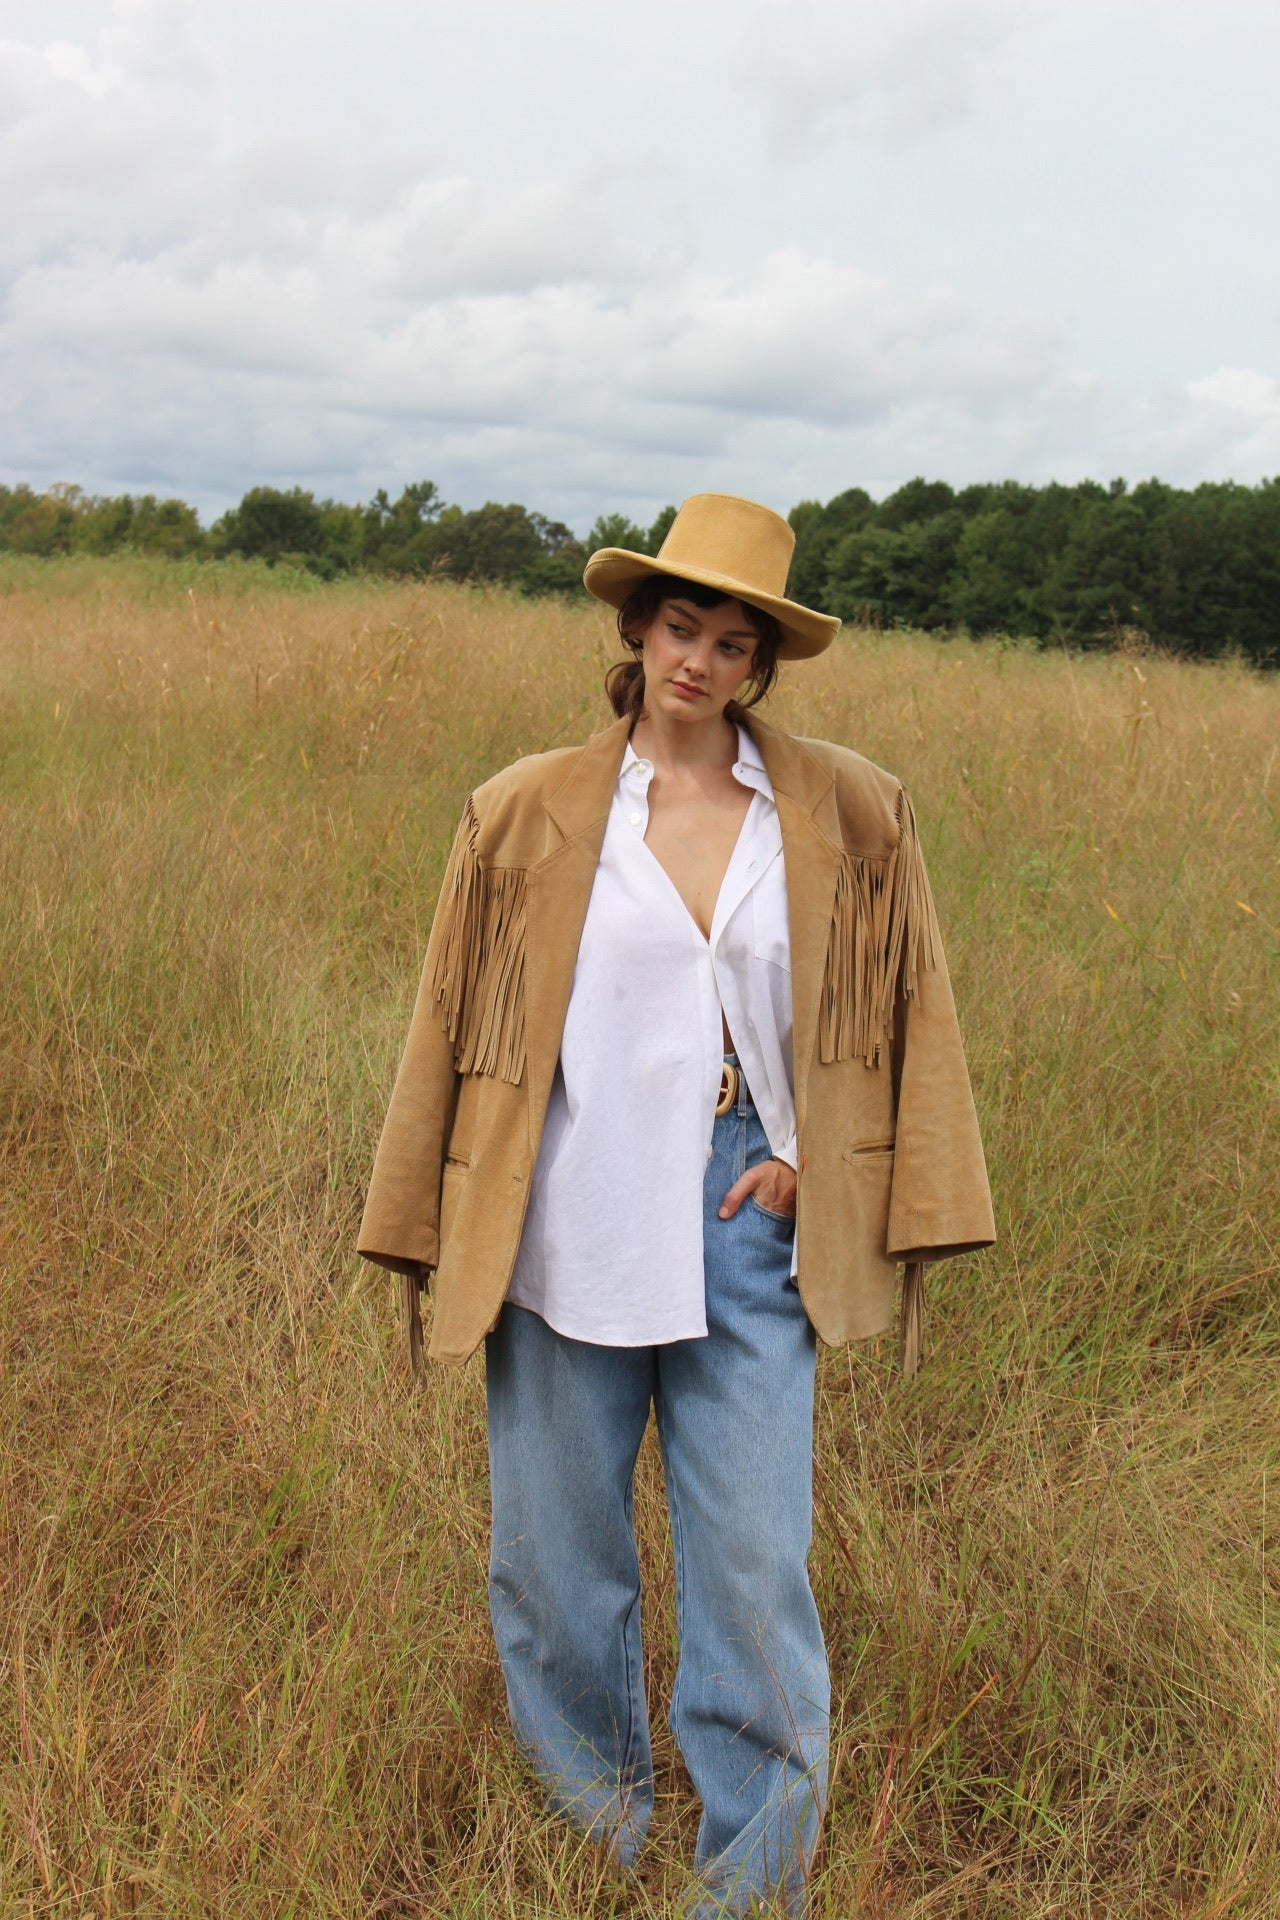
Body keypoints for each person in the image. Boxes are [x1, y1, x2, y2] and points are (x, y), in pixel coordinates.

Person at [358, 492, 995, 1916]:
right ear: (636, 629)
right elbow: (449, 1030)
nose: (699, 661)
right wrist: (425, 1215)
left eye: (731, 641)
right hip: (565, 1206)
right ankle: (589, 1840)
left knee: (756, 1568)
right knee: (554, 1565)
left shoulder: (848, 808)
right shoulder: (526, 810)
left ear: (762, 664)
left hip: (747, 1216)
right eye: (679, 627)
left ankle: (750, 1888)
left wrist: (817, 1155)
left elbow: (906, 1013)